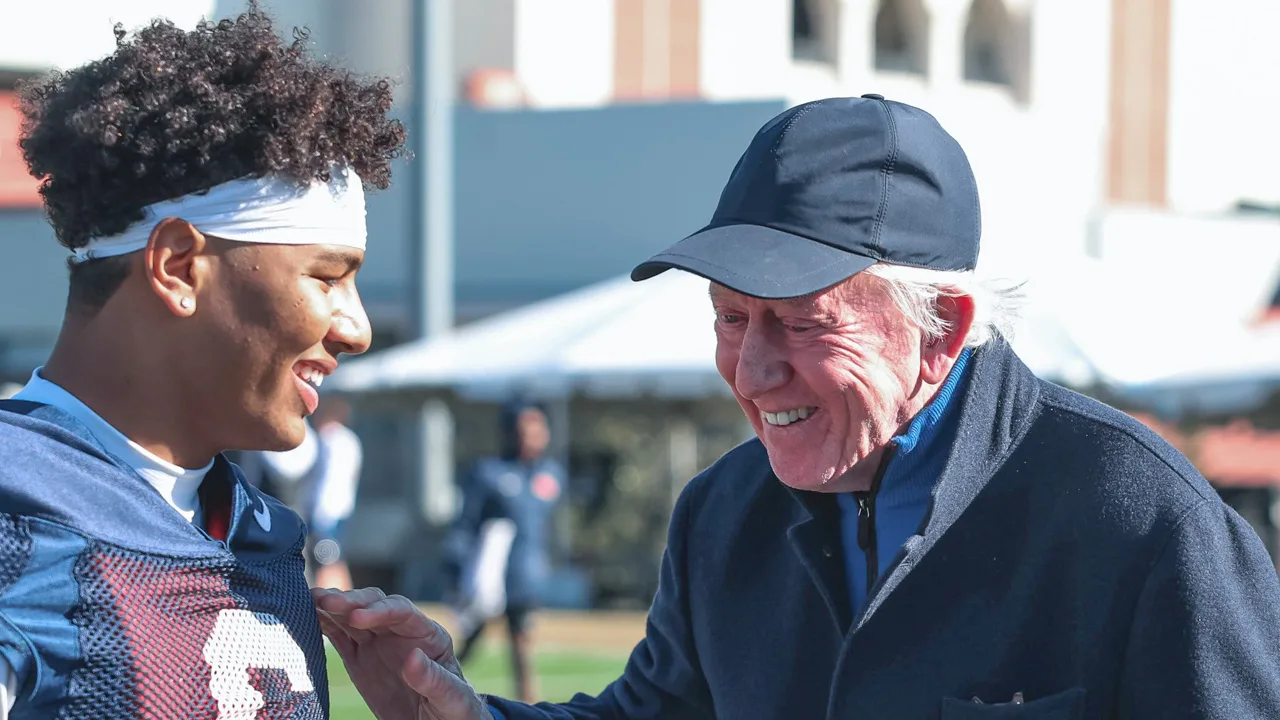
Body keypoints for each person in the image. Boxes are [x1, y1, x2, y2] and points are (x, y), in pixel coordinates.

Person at [316, 96, 1280, 718]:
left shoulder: (1139, 521)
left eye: (800, 323)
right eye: (730, 317)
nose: (750, 369)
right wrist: (467, 712)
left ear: (941, 331)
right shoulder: (720, 516)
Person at [0, 2, 403, 717]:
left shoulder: (260, 532)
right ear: (180, 266)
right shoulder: (19, 514)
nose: (357, 329)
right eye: (327, 277)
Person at [442, 399, 565, 703]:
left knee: (522, 646)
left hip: (525, 577)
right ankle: (433, 694)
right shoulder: (488, 473)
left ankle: (529, 708)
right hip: (488, 578)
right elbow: (466, 524)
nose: (532, 438)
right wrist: (456, 565)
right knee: (467, 644)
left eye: (538, 431)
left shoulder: (550, 475)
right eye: (525, 431)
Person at [298, 395, 365, 591]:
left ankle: (328, 602)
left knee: (326, 561)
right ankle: (344, 599)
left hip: (326, 511)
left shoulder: (329, 439)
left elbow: (325, 480)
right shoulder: (350, 439)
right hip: (342, 509)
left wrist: (317, 512)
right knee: (336, 560)